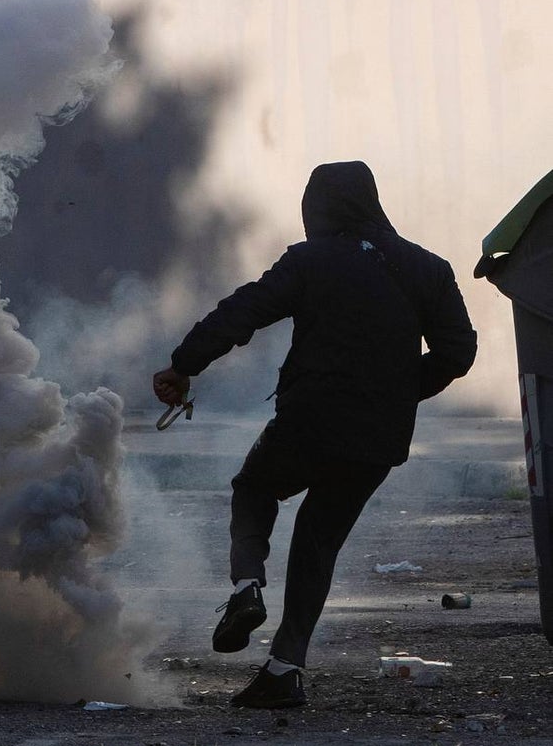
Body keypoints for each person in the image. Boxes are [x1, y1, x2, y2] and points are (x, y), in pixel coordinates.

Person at [152, 161, 477, 709]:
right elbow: (459, 354)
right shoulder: (429, 268)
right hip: (377, 435)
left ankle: (245, 589)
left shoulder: (310, 260)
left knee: (254, 489)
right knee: (318, 542)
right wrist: (396, 391)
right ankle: (283, 670)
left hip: (309, 420)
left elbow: (243, 312)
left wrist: (184, 363)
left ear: (319, 208)